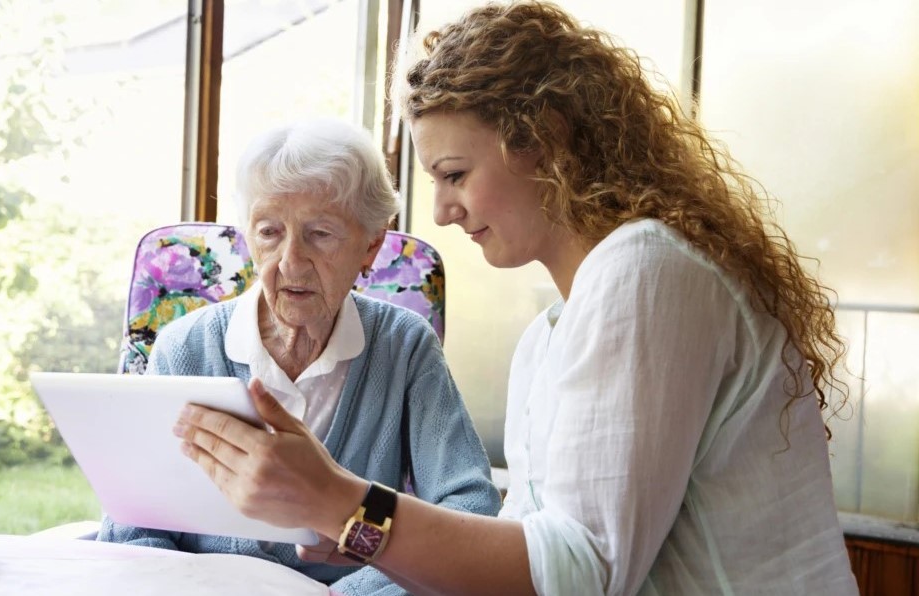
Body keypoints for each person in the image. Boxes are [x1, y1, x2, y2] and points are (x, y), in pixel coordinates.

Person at [171, 2, 860, 594]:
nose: (439, 212)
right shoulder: (551, 337)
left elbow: (582, 573)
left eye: (454, 173)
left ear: (546, 141)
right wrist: (346, 525)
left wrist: (341, 501)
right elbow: (524, 553)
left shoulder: (646, 272)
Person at [98, 118, 502, 595]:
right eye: (269, 232)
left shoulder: (404, 346)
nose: (290, 262)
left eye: (320, 234)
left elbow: (469, 506)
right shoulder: (183, 347)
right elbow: (133, 528)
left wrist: (349, 593)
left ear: (370, 245)